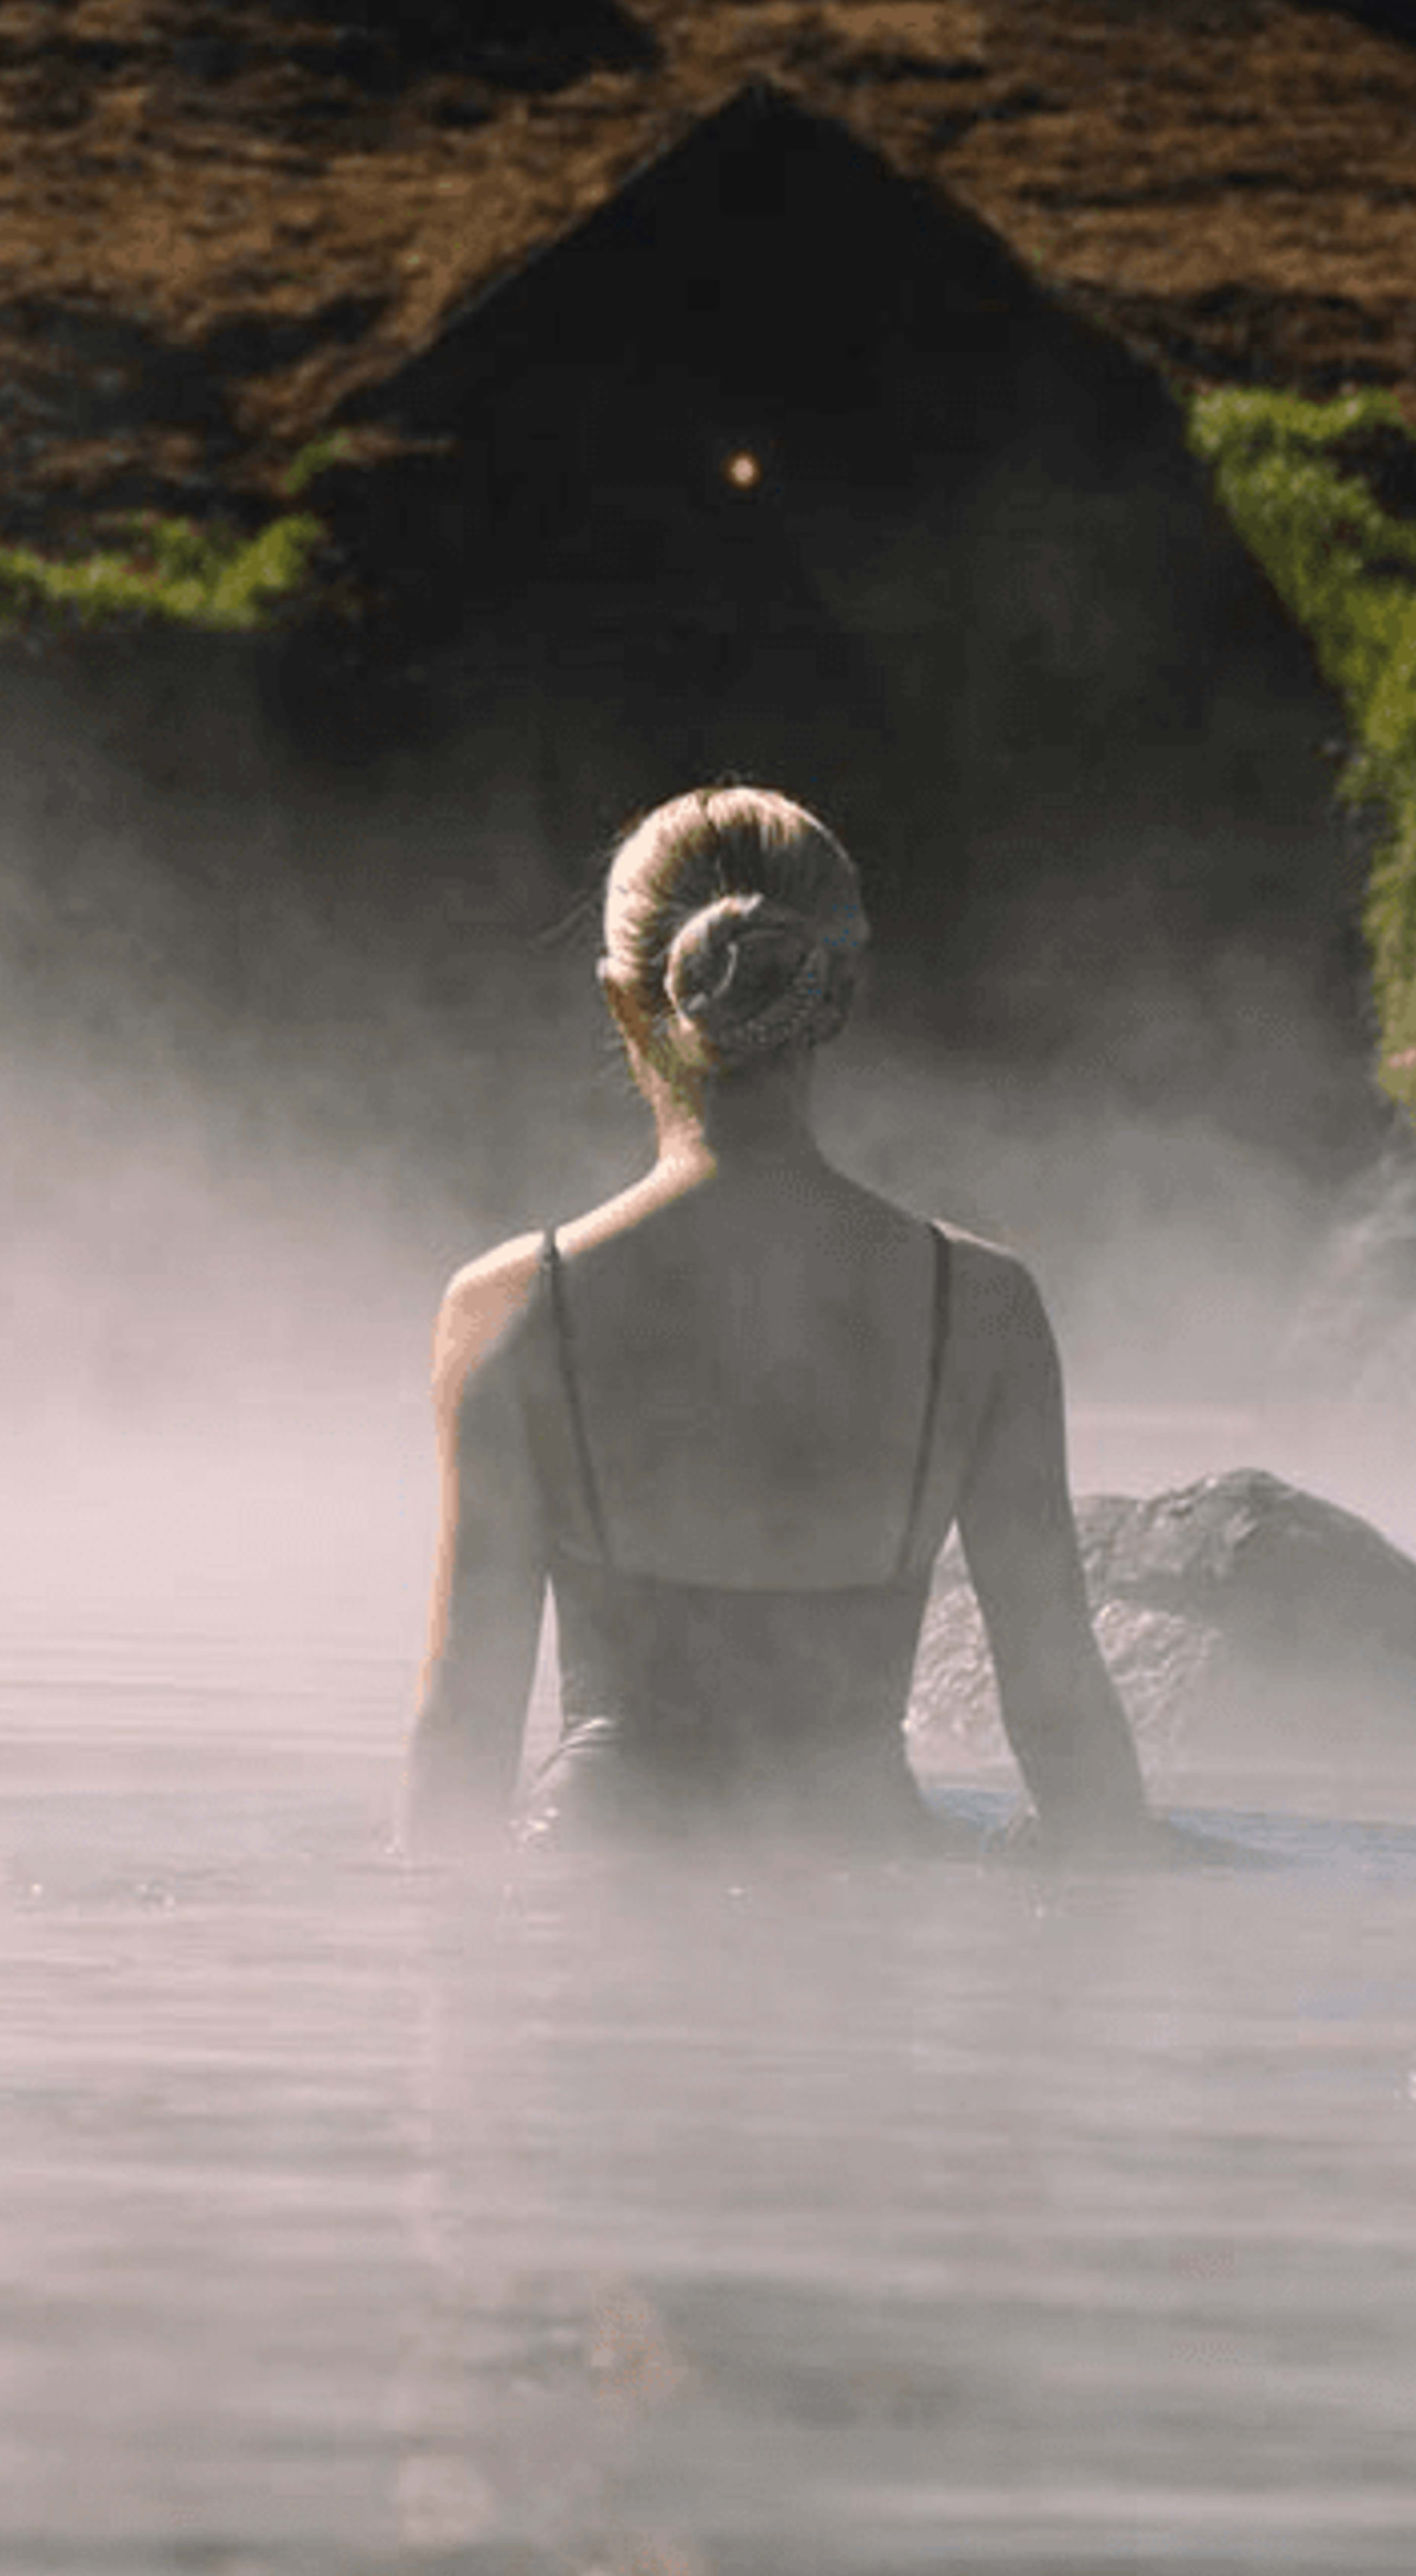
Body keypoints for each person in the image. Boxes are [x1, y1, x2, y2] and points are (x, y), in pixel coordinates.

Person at [404, 782, 1156, 1863]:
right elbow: (1058, 1704)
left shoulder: (513, 1306)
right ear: (838, 996)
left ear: (624, 1000)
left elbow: (464, 1728)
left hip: (602, 1891)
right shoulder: (980, 1309)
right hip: (868, 1883)